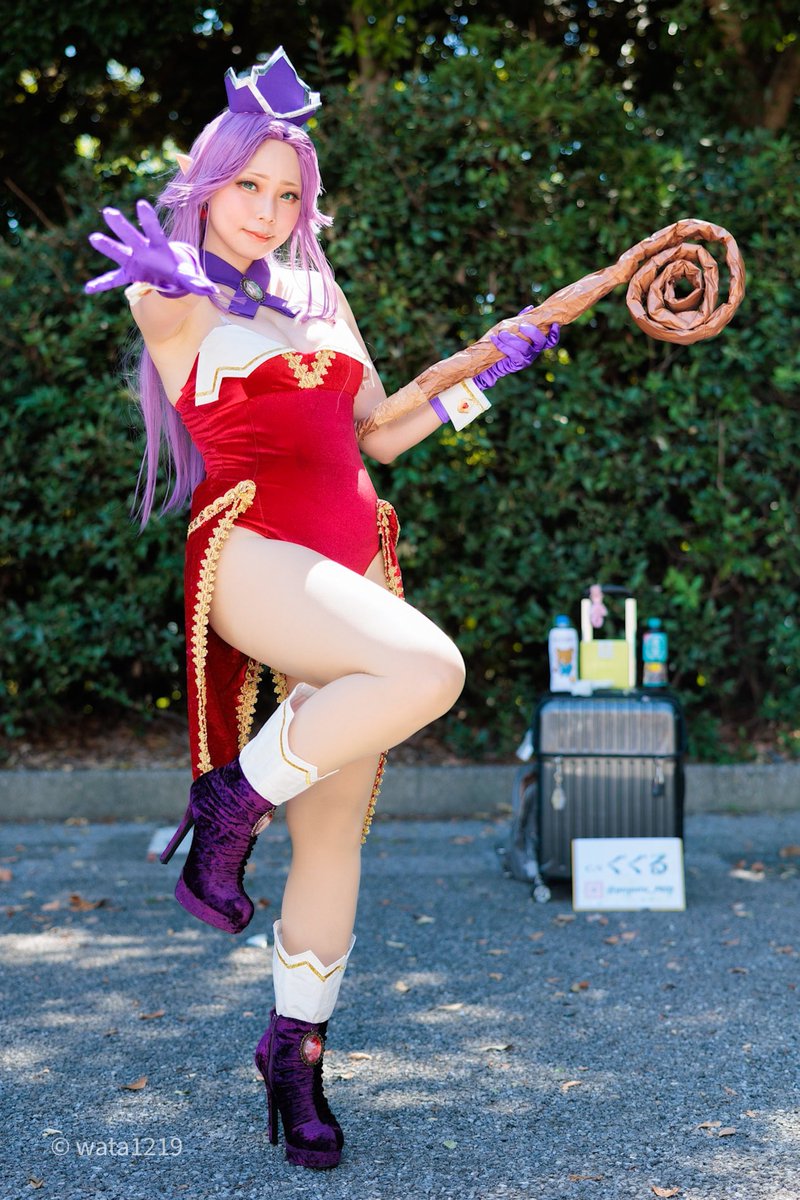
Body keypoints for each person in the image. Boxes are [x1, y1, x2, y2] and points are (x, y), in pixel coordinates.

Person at [85, 47, 559, 1171]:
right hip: (255, 547)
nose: (266, 210)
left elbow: (380, 433)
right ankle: (228, 804)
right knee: (431, 670)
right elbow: (165, 299)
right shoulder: (174, 292)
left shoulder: (318, 293)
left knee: (333, 839)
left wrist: (489, 371)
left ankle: (293, 1056)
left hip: (351, 562)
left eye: (287, 193)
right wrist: (175, 271)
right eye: (245, 185)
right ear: (209, 185)